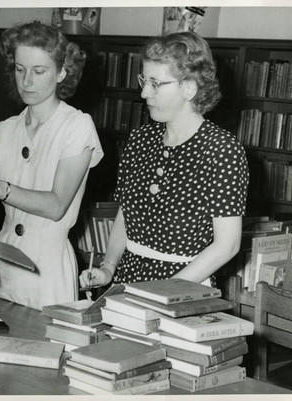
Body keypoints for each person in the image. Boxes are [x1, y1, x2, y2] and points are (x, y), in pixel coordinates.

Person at [0, 21, 103, 310]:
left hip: (47, 271)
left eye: (39, 71)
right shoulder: (4, 130)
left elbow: (55, 206)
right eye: (20, 69)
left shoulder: (77, 126)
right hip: (2, 265)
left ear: (62, 72)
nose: (26, 81)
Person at [80, 31, 249, 290]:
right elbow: (125, 215)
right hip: (128, 281)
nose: (145, 92)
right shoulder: (140, 139)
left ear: (189, 88)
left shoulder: (221, 150)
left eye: (156, 83)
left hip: (184, 287)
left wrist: (165, 291)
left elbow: (228, 245)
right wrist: (108, 267)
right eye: (144, 80)